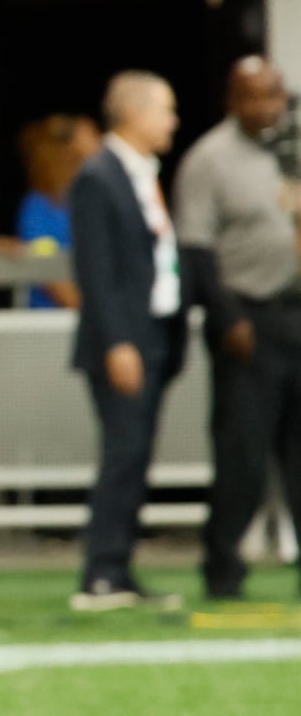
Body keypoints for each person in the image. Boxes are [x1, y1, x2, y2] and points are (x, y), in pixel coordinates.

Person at [173, 55, 301, 601]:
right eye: (255, 97)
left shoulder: (292, 151)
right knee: (242, 453)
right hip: (249, 319)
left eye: (275, 96)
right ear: (233, 100)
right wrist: (227, 318)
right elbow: (196, 251)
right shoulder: (210, 159)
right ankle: (223, 569)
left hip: (298, 314)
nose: (267, 107)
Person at [67, 70, 186, 612]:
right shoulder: (99, 176)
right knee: (123, 454)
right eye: (165, 109)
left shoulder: (142, 172)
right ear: (134, 113)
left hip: (153, 334)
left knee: (137, 456)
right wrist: (118, 342)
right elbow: (95, 270)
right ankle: (101, 573)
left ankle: (120, 568)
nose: (172, 121)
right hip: (125, 341)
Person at [17, 113, 101, 308]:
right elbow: (51, 278)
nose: (101, 142)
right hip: (51, 323)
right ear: (69, 151)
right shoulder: (38, 206)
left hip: (94, 317)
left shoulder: (89, 201)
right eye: (93, 135)